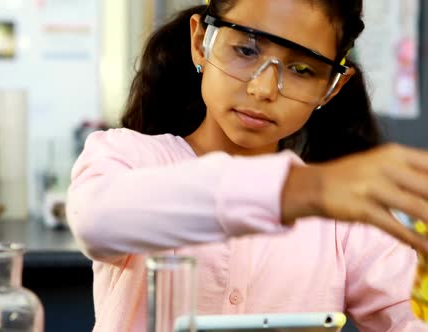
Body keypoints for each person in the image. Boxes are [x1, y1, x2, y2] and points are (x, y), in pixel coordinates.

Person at [66, 0, 428, 331]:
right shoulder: (128, 156)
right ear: (200, 41)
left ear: (331, 88)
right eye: (245, 50)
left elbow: (408, 317)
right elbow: (95, 220)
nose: (264, 88)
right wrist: (301, 190)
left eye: (302, 69)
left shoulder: (345, 220)